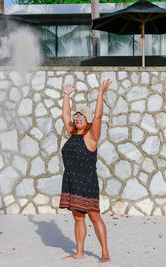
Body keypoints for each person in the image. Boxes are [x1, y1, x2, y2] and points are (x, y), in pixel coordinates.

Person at [59, 79, 112, 263]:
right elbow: (65, 115)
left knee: (94, 216)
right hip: (71, 180)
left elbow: (98, 117)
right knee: (78, 217)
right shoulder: (71, 133)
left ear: (87, 120)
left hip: (87, 181)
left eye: (82, 116)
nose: (77, 118)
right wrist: (66, 95)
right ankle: (79, 252)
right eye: (77, 116)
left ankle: (105, 252)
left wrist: (100, 93)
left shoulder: (91, 136)